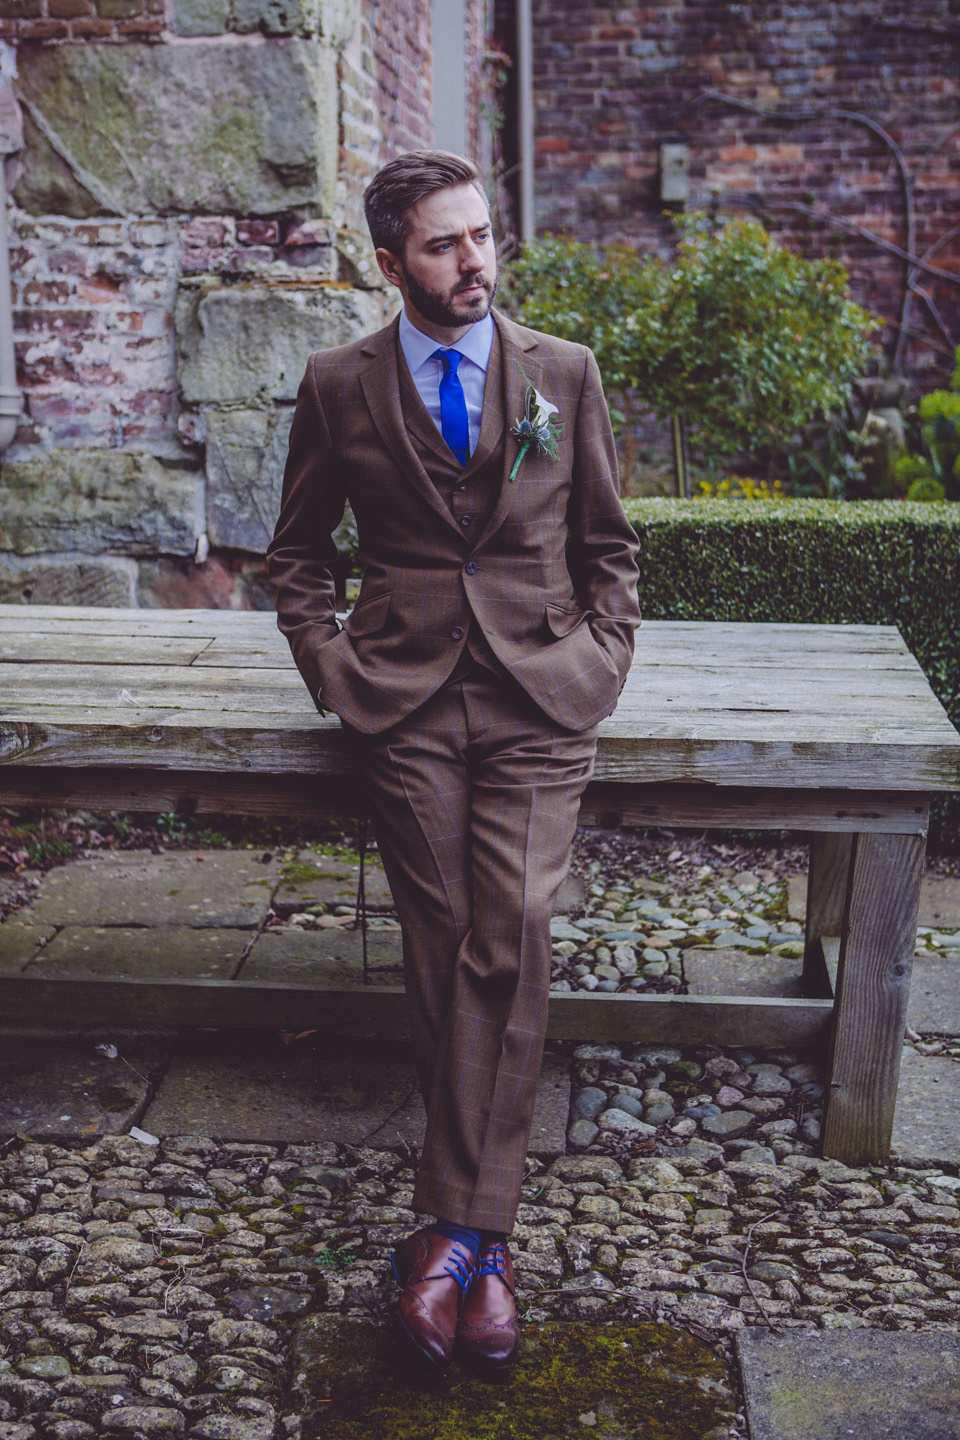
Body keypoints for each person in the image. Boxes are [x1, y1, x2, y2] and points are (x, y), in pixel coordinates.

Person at [267, 149, 641, 1377]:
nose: (474, 261)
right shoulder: (337, 385)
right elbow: (298, 556)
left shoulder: (564, 374)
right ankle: (485, 1246)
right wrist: (333, 668)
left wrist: (601, 657)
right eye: (443, 244)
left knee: (514, 924)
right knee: (443, 931)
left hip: (541, 692)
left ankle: (452, 1235)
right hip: (407, 695)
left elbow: (609, 546)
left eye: (482, 237)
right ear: (391, 263)